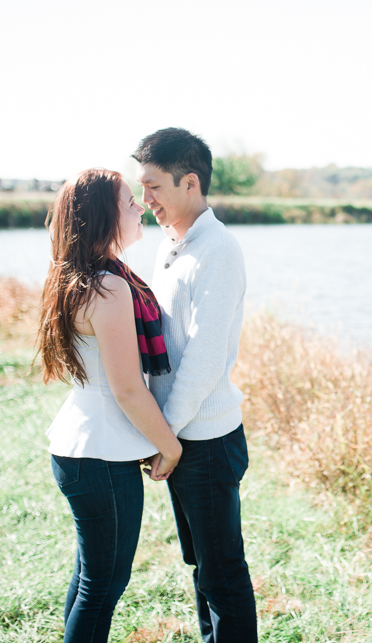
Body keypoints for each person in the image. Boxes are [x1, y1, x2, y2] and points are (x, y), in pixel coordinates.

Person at [36, 168, 183, 643]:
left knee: (89, 579)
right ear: (102, 216)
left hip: (81, 447)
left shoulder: (78, 277)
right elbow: (127, 389)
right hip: (100, 455)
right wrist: (170, 445)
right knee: (102, 585)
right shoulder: (109, 286)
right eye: (127, 202)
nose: (139, 206)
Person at [132, 128, 255, 642]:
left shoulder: (217, 250)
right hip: (181, 437)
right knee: (202, 568)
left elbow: (204, 359)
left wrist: (168, 435)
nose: (146, 201)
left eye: (154, 187)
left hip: (202, 440)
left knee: (222, 572)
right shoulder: (173, 246)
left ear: (189, 183)